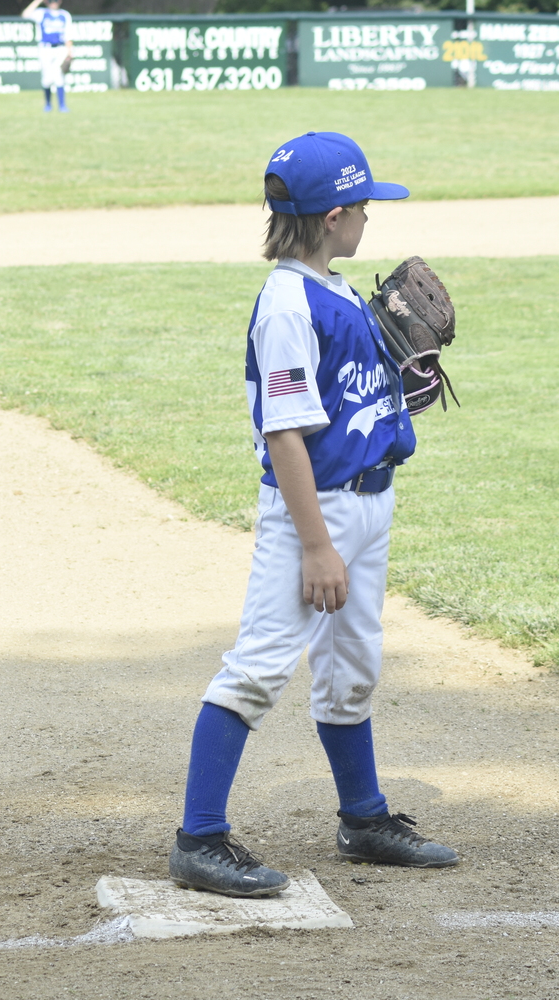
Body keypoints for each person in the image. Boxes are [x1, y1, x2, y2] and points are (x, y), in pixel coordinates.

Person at [168, 131, 460, 898]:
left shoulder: (335, 289)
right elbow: (284, 433)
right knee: (261, 667)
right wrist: (316, 545)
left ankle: (363, 820)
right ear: (333, 216)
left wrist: (391, 385)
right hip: (315, 514)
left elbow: (344, 400)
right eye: (363, 206)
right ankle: (199, 837)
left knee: (353, 667)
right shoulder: (288, 303)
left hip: (368, 504)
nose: (370, 217)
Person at [22, 0, 72, 112]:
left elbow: (68, 35)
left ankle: (62, 105)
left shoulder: (64, 15)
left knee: (59, 77)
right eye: (50, 0)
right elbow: (25, 14)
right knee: (47, 78)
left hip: (60, 48)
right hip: (45, 49)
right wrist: (37, 1)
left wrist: (69, 52)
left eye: (56, 0)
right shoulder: (42, 13)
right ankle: (48, 105)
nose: (53, 3)